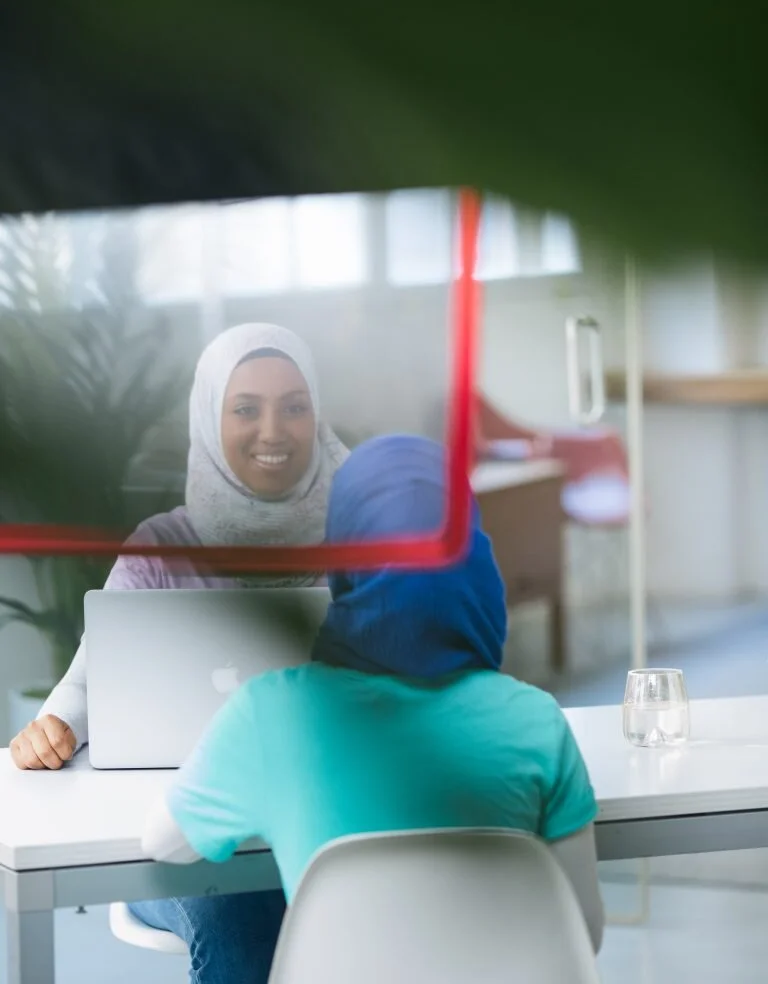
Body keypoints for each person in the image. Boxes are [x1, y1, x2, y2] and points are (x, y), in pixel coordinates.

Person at [141, 433, 604, 975]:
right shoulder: (537, 721)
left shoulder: (271, 713)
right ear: (474, 556)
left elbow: (163, 843)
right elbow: (582, 933)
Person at [10, 321, 348, 984]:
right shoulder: (161, 547)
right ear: (209, 419)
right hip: (187, 845)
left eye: (294, 406)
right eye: (245, 408)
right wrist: (54, 727)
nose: (272, 430)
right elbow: (87, 684)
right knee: (243, 911)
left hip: (334, 817)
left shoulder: (364, 535)